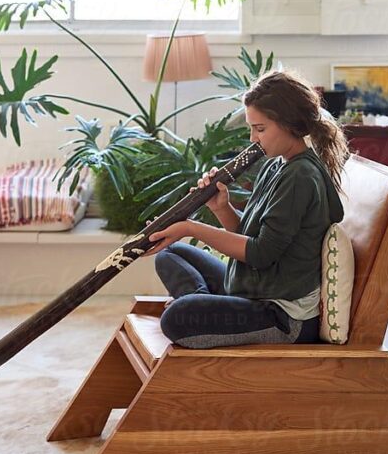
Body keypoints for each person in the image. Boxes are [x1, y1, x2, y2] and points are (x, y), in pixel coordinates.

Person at [144, 70, 349, 348]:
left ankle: (204, 307)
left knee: (176, 319)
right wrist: (221, 207)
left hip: (283, 314)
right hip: (255, 287)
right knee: (170, 254)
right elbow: (250, 235)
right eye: (252, 128)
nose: (253, 138)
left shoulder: (301, 176)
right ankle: (211, 306)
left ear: (290, 124)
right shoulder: (277, 164)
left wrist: (191, 228)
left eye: (260, 128)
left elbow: (260, 254)